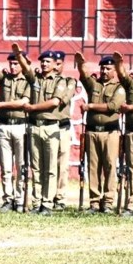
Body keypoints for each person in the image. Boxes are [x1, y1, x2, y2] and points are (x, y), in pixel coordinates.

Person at [12, 45, 66, 215]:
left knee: (50, 168)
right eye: (42, 61)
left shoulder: (60, 81)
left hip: (51, 128)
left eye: (47, 62)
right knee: (36, 168)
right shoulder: (34, 79)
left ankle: (48, 203)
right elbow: (26, 68)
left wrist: (33, 108)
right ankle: (37, 202)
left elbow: (55, 102)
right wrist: (19, 55)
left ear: (54, 64)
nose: (43, 64)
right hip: (35, 128)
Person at [75, 53, 124, 214]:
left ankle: (108, 201)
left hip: (110, 132)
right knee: (93, 167)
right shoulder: (94, 85)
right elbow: (84, 75)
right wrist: (81, 63)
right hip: (92, 131)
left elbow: (113, 106)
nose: (104, 71)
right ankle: (94, 202)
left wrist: (90, 107)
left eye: (108, 68)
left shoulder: (119, 87)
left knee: (110, 166)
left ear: (115, 70)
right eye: (102, 68)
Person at [0, 50, 30, 213]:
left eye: (16, 63)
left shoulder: (29, 80)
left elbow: (24, 102)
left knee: (21, 165)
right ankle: (7, 199)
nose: (13, 66)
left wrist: (0, 105)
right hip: (4, 125)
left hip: (20, 125)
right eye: (11, 63)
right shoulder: (5, 79)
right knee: (5, 166)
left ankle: (20, 198)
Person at [113, 52, 133, 216]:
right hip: (132, 133)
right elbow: (122, 75)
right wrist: (118, 63)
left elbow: (129, 107)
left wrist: (131, 108)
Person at [53, 51, 77, 211]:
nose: (55, 66)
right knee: (46, 165)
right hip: (46, 126)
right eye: (53, 63)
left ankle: (60, 198)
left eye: (58, 63)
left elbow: (62, 99)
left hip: (61, 127)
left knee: (62, 165)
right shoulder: (43, 80)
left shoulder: (69, 81)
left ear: (63, 65)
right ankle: (45, 197)